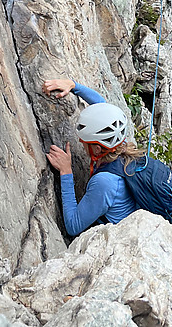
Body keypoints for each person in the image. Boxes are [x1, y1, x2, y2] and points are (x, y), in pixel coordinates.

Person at [42, 78, 145, 237]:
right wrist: (74, 86)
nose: (81, 143)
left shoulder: (105, 182)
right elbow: (102, 106)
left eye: (84, 142)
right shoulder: (118, 141)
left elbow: (73, 225)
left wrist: (66, 171)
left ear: (97, 148)